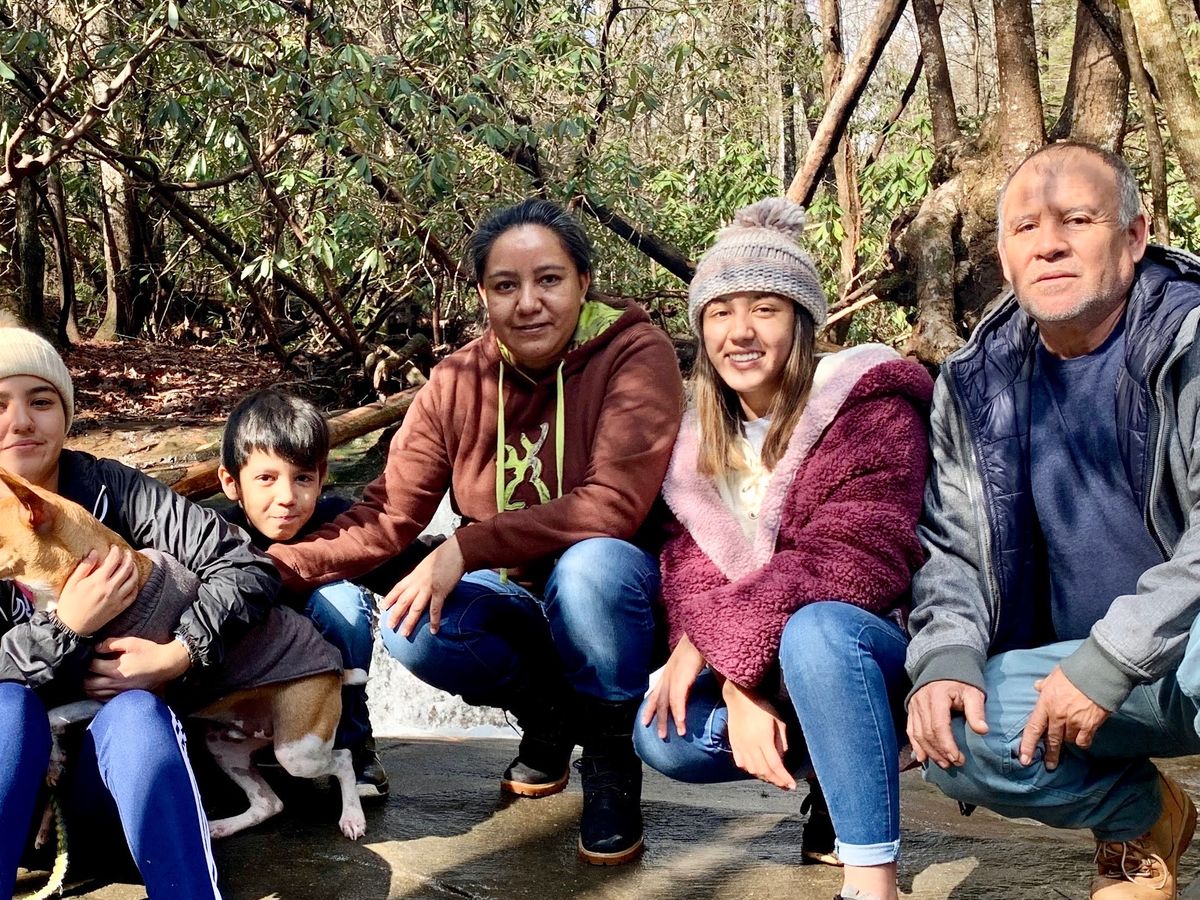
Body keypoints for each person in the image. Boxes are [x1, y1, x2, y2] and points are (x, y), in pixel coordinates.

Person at [269, 198, 685, 864]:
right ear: (484, 296)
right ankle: (549, 718)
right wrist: (272, 568)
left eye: (549, 280)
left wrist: (465, 546)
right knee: (410, 625)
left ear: (583, 282)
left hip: (622, 602)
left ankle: (610, 759)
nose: (529, 303)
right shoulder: (457, 380)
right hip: (517, 597)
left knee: (590, 567)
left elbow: (613, 505)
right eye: (505, 285)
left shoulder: (636, 353)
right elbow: (387, 515)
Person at [906, 141, 1200, 900]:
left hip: (1183, 649)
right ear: (1005, 259)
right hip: (1072, 670)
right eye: (1026, 228)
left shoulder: (1189, 343)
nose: (1050, 244)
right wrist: (944, 658)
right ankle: (1143, 819)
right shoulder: (976, 382)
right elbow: (953, 549)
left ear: (1134, 236)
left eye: (1077, 219)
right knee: (954, 733)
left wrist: (1111, 661)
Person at [631, 198, 932, 900]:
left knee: (818, 631)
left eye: (764, 309)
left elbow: (856, 560)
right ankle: (834, 769)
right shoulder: (696, 444)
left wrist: (721, 660)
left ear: (802, 321)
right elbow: (690, 573)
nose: (740, 332)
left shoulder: (868, 408)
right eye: (719, 313)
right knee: (664, 734)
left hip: (879, 653)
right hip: (771, 661)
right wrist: (733, 682)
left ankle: (871, 879)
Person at [0, 322, 280, 899]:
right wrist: (65, 627)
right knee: (8, 707)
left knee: (137, 713)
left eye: (41, 401)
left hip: (120, 791)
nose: (21, 421)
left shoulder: (116, 493)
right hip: (16, 797)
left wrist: (180, 653)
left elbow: (247, 566)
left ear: (66, 415)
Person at [217, 388, 388, 797]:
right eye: (266, 478)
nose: (287, 498)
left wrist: (444, 561)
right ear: (231, 482)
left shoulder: (337, 519)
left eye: (303, 478)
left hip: (325, 679)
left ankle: (352, 740)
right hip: (251, 685)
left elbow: (396, 555)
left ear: (322, 477)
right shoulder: (215, 534)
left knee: (344, 603)